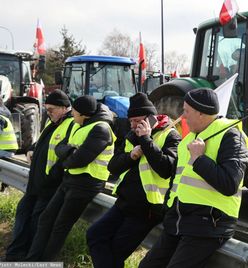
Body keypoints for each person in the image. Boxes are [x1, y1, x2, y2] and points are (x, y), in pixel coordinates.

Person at [139, 88, 248, 268]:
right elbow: (176, 181)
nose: (183, 117)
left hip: (208, 226)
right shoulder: (188, 140)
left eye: (186, 111)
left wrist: (199, 159)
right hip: (180, 221)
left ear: (201, 113)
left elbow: (229, 184)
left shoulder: (231, 136)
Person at [87, 92, 181, 268]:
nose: (133, 125)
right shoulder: (132, 136)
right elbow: (113, 167)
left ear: (151, 118)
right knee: (94, 234)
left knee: (115, 251)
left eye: (137, 121)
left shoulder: (171, 135)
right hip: (124, 202)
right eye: (131, 121)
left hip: (148, 209)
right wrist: (131, 156)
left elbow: (166, 169)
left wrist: (146, 140)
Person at [25, 95, 115, 261]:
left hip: (86, 184)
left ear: (83, 114)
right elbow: (60, 148)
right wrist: (70, 152)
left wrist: (69, 154)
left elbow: (78, 160)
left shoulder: (101, 129)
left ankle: (46, 262)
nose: (71, 113)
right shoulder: (78, 124)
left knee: (60, 226)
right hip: (70, 180)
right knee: (46, 218)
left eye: (74, 111)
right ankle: (32, 260)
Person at [5, 89, 73, 261]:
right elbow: (41, 142)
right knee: (23, 212)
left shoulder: (71, 125)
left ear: (64, 108)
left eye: (51, 109)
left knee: (37, 220)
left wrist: (51, 179)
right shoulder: (52, 123)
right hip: (36, 183)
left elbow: (67, 155)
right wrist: (31, 149)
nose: (48, 113)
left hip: (49, 185)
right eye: (47, 109)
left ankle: (29, 256)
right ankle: (15, 254)